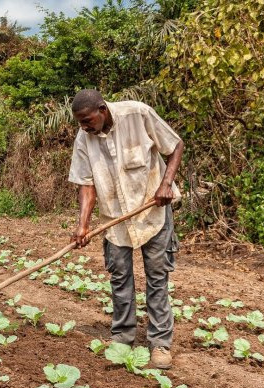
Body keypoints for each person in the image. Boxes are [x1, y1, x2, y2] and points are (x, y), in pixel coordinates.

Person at [68, 89, 183, 369]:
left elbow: (175, 145)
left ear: (102, 110)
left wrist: (166, 183)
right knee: (120, 279)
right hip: (114, 220)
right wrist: (83, 225)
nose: (84, 126)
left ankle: (160, 343)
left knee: (157, 279)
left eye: (87, 120)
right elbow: (86, 184)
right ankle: (123, 336)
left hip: (151, 212)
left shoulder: (137, 113)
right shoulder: (84, 138)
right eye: (80, 122)